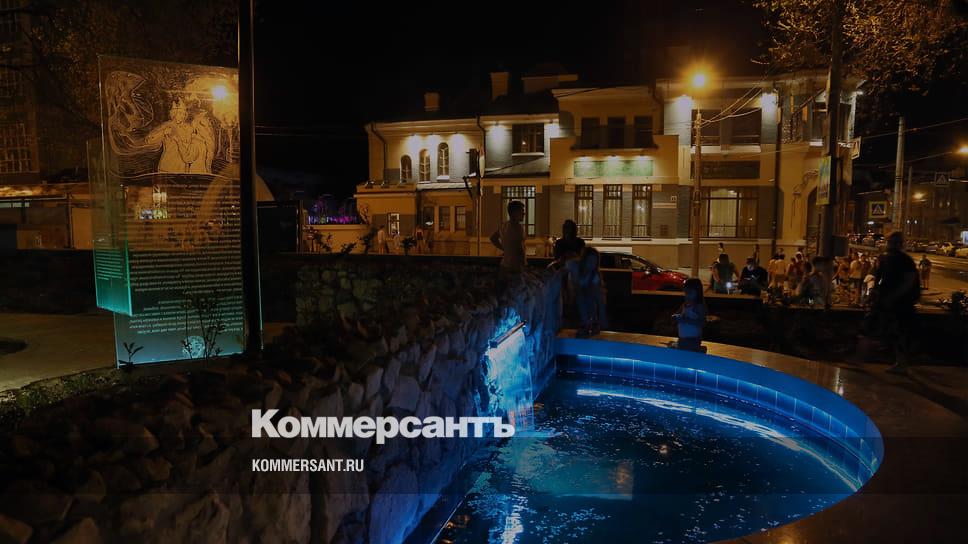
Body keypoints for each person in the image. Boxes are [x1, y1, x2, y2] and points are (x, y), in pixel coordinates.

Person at [864, 231, 920, 373]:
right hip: (886, 300)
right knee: (874, 327)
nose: (893, 245)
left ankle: (901, 362)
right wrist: (873, 292)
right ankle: (863, 356)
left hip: (900, 303)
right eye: (891, 242)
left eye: (896, 242)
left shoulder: (905, 261)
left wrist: (894, 296)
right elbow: (875, 276)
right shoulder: (884, 258)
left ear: (901, 244)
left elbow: (908, 282)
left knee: (898, 332)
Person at [568, 247, 607, 337]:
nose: (592, 264)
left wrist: (602, 313)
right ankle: (587, 322)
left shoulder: (595, 275)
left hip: (587, 301)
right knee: (581, 293)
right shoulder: (575, 268)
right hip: (573, 299)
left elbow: (598, 294)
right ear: (584, 260)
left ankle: (589, 322)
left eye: (594, 261)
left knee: (591, 293)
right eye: (590, 261)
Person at [490, 200, 527, 272]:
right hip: (515, 267)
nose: (524, 213)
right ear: (514, 213)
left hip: (504, 265)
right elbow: (520, 249)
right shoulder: (519, 227)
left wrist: (505, 249)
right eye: (521, 211)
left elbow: (493, 238)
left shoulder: (504, 225)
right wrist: (524, 266)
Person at [674, 278, 707, 352]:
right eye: (686, 292)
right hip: (682, 337)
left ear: (697, 292)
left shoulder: (699, 306)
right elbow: (678, 314)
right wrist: (676, 317)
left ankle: (701, 350)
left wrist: (685, 320)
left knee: (688, 354)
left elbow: (703, 323)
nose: (687, 295)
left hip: (693, 338)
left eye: (690, 293)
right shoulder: (685, 304)